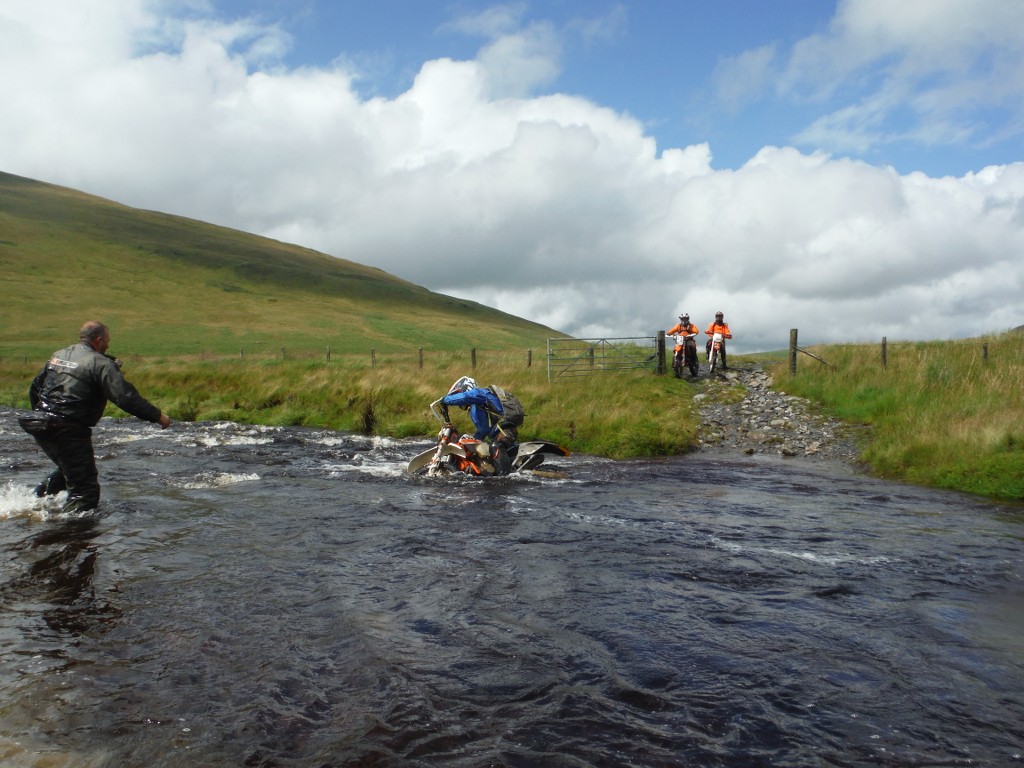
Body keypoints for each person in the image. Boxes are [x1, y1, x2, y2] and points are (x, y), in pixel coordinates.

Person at [19, 321, 172, 513]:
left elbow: (35, 388)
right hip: (67, 428)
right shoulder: (100, 363)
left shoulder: (59, 355)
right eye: (107, 341)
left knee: (69, 471)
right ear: (99, 340)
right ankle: (73, 533)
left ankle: (28, 507)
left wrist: (42, 415)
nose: (108, 345)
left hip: (40, 424)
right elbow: (124, 397)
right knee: (86, 492)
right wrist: (158, 416)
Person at [436, 376, 525, 475]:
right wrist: (470, 440)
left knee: (496, 446)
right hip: (502, 430)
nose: (460, 405)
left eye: (458, 394)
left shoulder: (480, 393)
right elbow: (484, 430)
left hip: (505, 430)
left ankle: (505, 477)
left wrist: (446, 399)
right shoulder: (478, 406)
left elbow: (465, 397)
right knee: (483, 453)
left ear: (466, 388)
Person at [666, 313, 699, 377]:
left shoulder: (691, 325)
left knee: (692, 347)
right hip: (680, 340)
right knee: (676, 349)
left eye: (685, 319)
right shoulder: (678, 326)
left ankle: (694, 361)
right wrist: (668, 334)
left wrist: (691, 335)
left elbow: (696, 331)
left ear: (687, 319)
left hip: (689, 340)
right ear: (681, 319)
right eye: (682, 319)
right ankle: (674, 365)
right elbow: (671, 331)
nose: (684, 320)